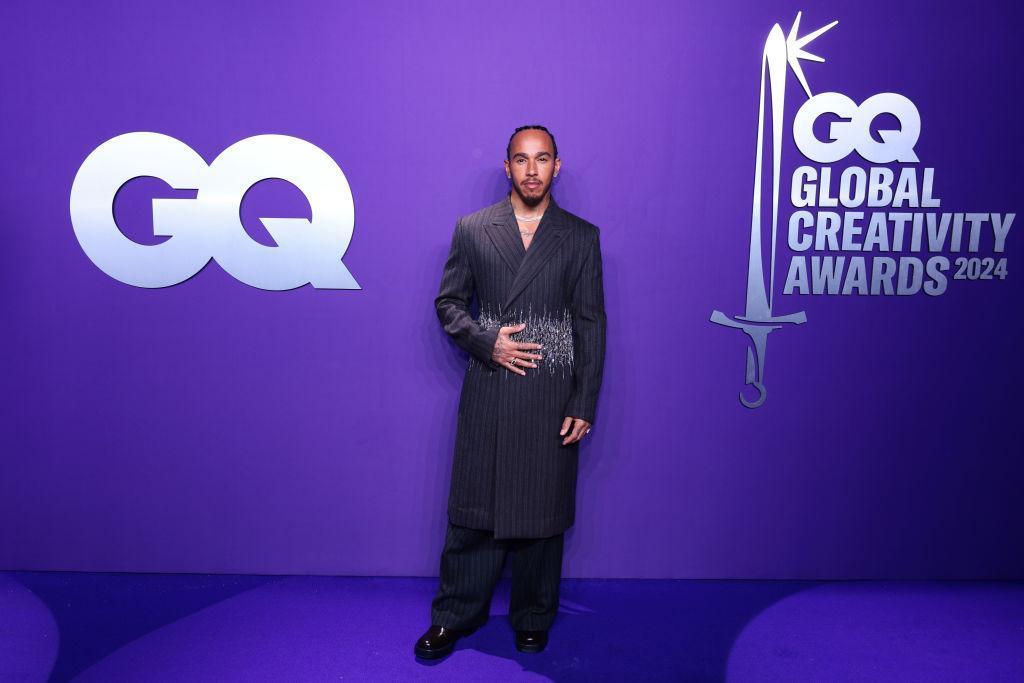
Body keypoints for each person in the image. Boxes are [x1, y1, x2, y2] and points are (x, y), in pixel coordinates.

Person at [414, 125, 607, 659]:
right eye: (521, 159)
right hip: (490, 386)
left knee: (541, 516)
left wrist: (583, 400)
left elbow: (591, 323)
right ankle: (453, 616)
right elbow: (449, 304)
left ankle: (534, 615)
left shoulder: (580, 237)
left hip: (551, 391)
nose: (531, 170)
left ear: (556, 166)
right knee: (473, 511)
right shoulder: (474, 229)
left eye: (542, 159)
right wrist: (487, 342)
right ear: (507, 167)